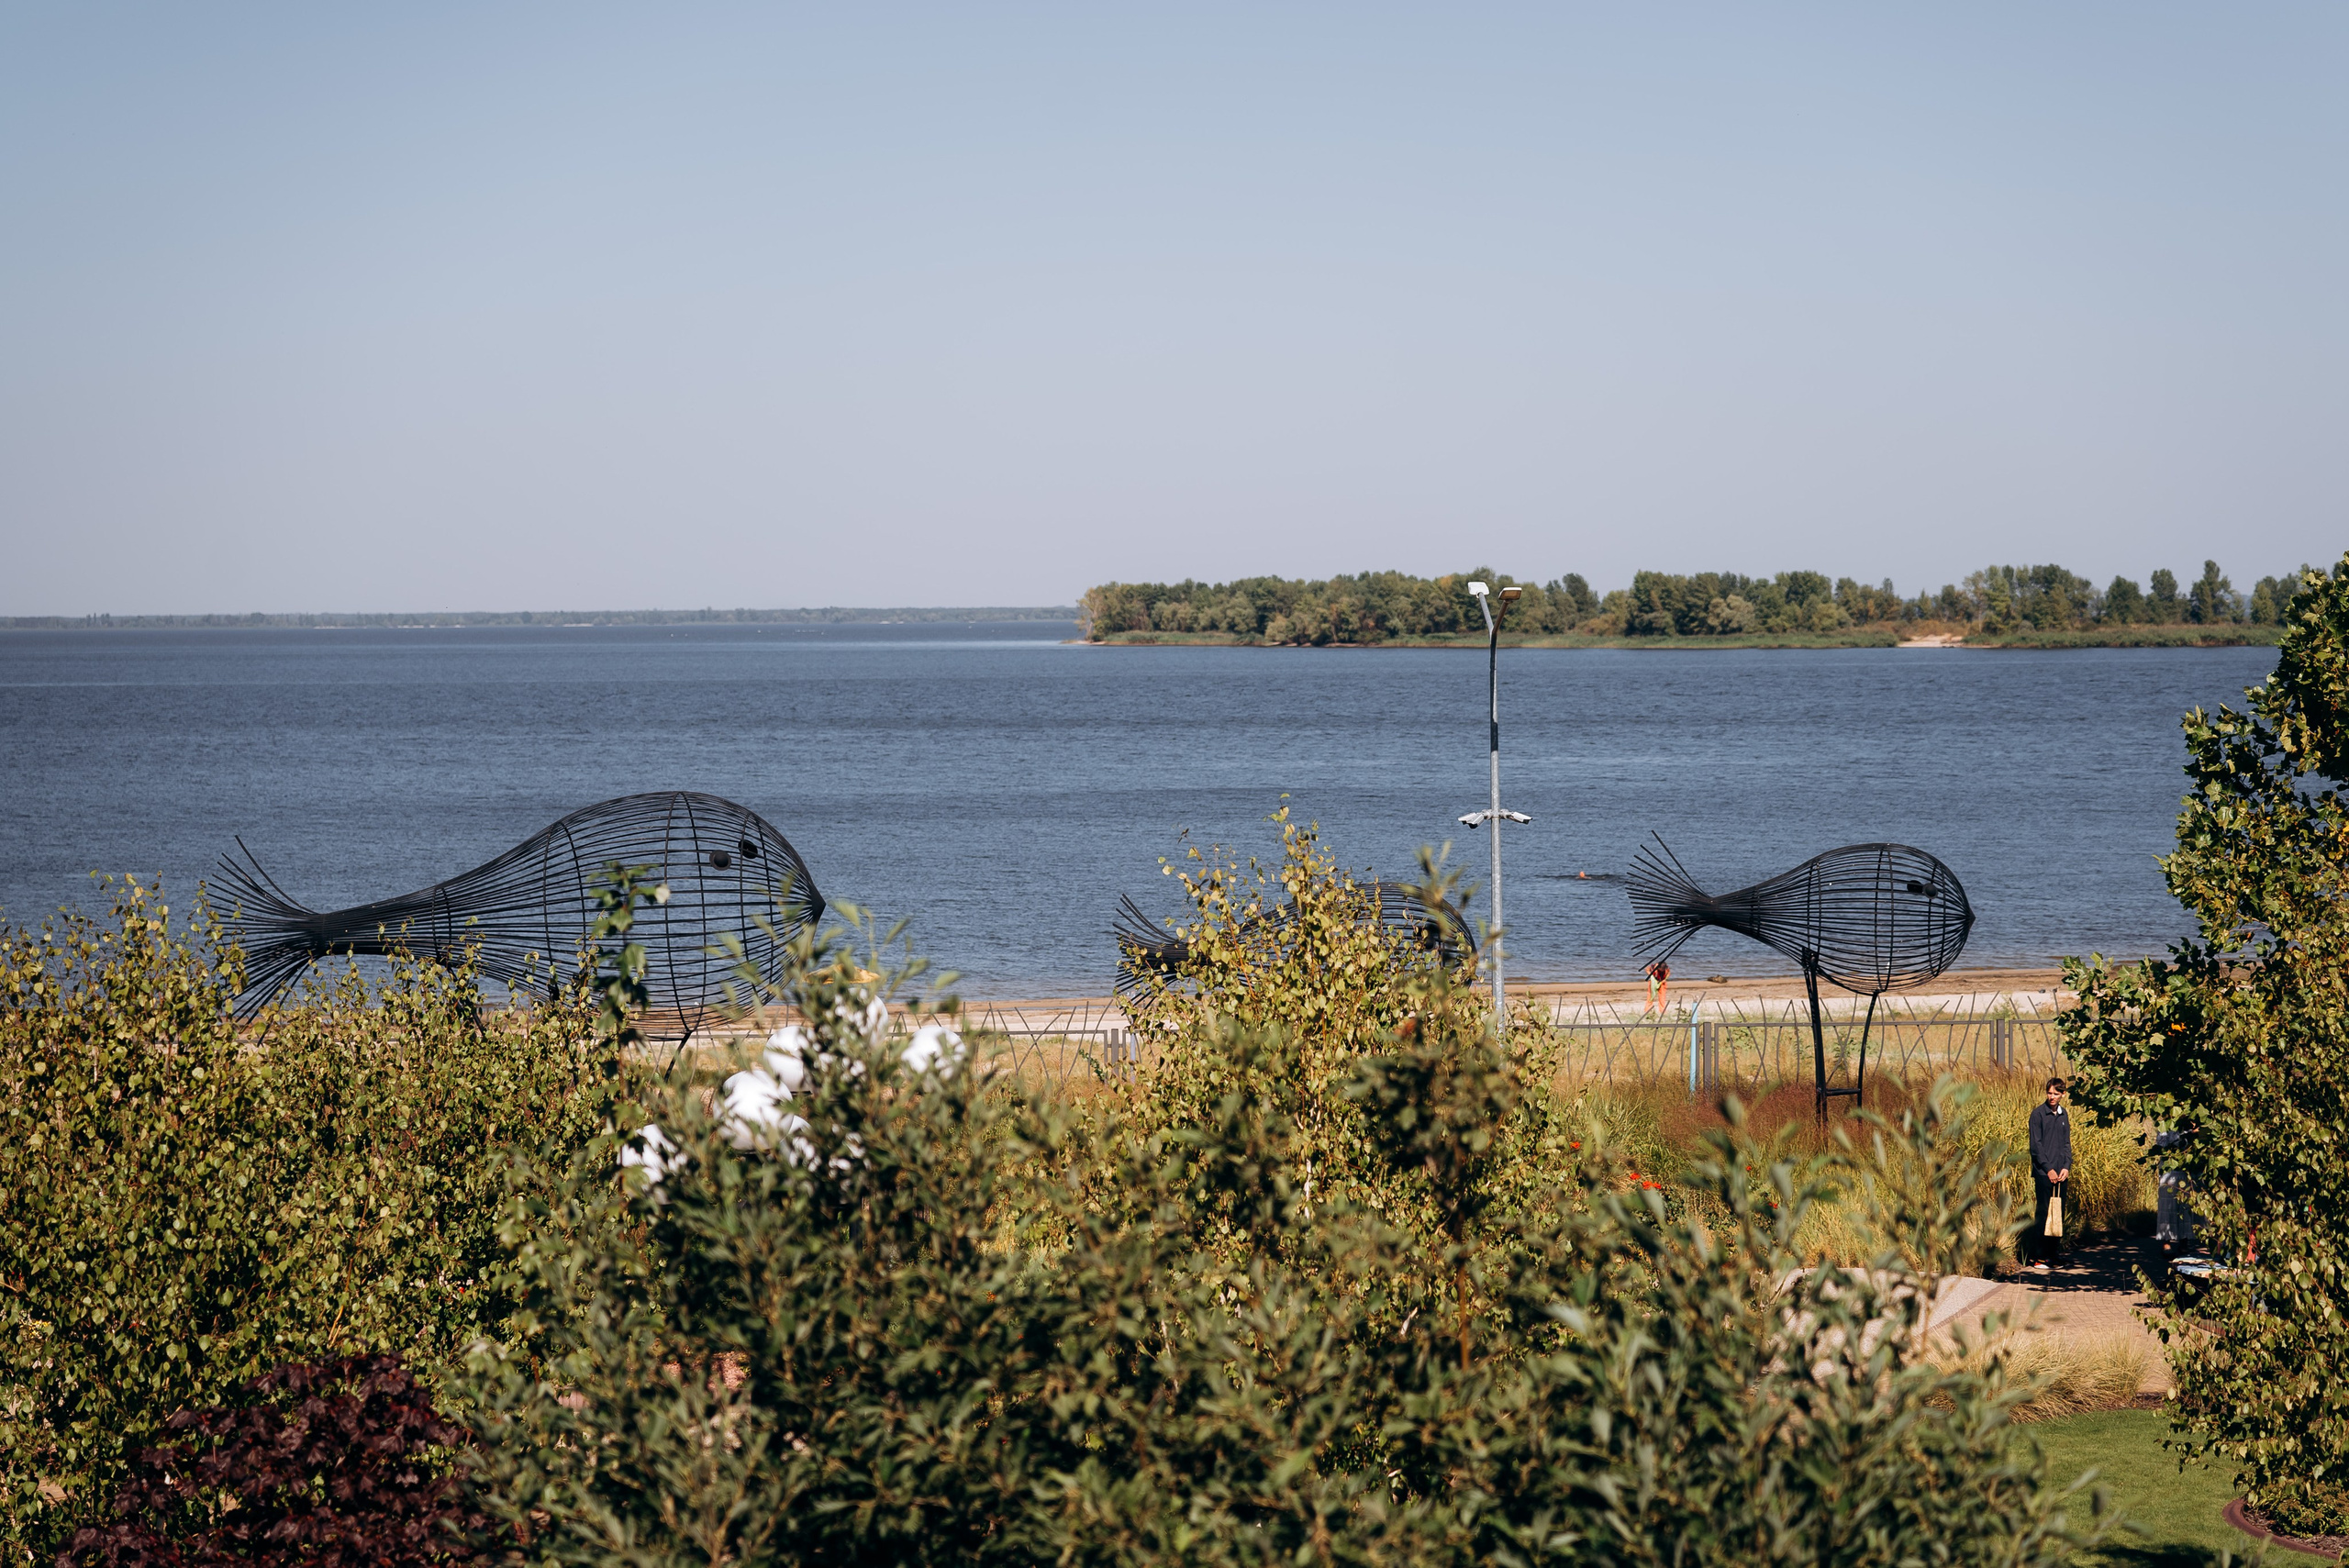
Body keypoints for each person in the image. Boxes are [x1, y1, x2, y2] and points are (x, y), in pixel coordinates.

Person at [2025, 1076, 2074, 1272]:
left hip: (2061, 1174)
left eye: (2055, 1093)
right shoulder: (2038, 1115)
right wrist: (2048, 1169)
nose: (2051, 1096)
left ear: (2063, 1094)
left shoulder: (2064, 1115)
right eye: (2049, 1092)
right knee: (2044, 1213)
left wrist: (2066, 1166)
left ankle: (2053, 1255)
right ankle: (2038, 1257)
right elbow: (2035, 1147)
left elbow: (2066, 1144)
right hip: (2044, 1174)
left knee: (2058, 1214)